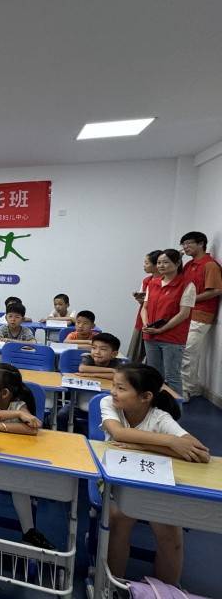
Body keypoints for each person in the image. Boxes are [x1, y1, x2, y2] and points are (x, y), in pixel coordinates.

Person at [102, 364, 209, 585]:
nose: (113, 392)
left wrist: (142, 446)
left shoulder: (160, 418)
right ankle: (112, 585)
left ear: (146, 397)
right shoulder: (109, 404)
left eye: (121, 388)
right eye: (114, 386)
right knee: (119, 517)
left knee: (170, 528)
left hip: (155, 484)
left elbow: (201, 454)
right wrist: (170, 442)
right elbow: (119, 433)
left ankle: (166, 590)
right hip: (115, 482)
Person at [0, 364, 54, 549]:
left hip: (13, 461)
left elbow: (32, 430)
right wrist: (16, 415)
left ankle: (29, 531)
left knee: (19, 484)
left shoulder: (20, 405)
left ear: (4, 393)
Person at [141, 249, 196, 396]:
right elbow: (144, 308)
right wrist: (146, 324)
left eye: (165, 262)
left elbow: (184, 314)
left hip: (172, 338)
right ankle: (156, 406)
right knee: (154, 375)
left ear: (177, 263)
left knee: (172, 377)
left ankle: (175, 408)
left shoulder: (187, 285)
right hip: (150, 335)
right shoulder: (153, 283)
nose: (161, 265)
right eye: (159, 262)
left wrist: (161, 329)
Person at [179, 232, 222, 401]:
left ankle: (184, 390)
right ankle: (193, 387)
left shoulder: (209, 265)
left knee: (187, 352)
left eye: (189, 243)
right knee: (185, 351)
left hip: (201, 314)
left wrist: (189, 299)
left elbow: (216, 290)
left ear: (201, 243)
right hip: (186, 313)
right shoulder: (188, 265)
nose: (185, 247)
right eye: (183, 244)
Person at [56, 333, 122, 432]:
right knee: (62, 415)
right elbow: (83, 369)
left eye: (103, 349)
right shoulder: (88, 357)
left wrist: (92, 375)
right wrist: (111, 370)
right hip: (78, 405)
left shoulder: (118, 363)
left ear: (114, 354)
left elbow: (117, 376)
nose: (97, 352)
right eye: (94, 348)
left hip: (107, 407)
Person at [128, 250, 162, 363]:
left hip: (158, 322)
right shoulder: (147, 280)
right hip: (142, 321)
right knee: (134, 355)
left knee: (154, 359)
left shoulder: (166, 281)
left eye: (147, 263)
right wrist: (140, 298)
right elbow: (143, 304)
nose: (144, 265)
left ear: (156, 265)